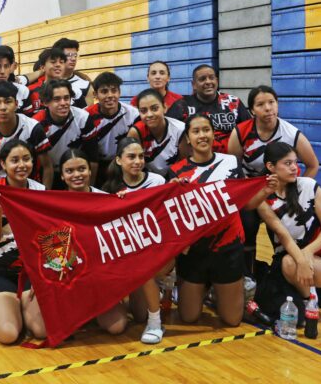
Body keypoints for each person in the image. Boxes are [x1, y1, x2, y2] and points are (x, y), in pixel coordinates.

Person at [168, 114, 272, 329]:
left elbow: (247, 204)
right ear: (188, 138)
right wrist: (173, 190)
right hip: (194, 251)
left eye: (206, 130)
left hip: (228, 247)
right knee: (188, 317)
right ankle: (206, 291)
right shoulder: (176, 172)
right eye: (195, 131)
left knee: (232, 321)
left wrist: (266, 190)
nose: (202, 135)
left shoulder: (231, 162)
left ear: (213, 133)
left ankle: (217, 292)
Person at [228, 85, 320, 281]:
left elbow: (313, 165)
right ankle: (247, 277)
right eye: (261, 104)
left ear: (277, 105)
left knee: (283, 234)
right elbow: (232, 169)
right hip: (251, 193)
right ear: (252, 110)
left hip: (280, 192)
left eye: (271, 102)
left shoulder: (291, 133)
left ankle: (284, 272)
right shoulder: (240, 133)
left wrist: (295, 191)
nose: (268, 108)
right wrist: (246, 194)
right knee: (247, 225)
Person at [101, 137, 169, 343]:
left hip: (157, 249)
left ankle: (156, 322)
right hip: (126, 253)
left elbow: (165, 217)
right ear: (119, 160)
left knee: (144, 266)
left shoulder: (157, 181)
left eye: (141, 156)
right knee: (138, 314)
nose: (138, 161)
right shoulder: (110, 189)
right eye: (131, 157)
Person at [0, 139, 47, 344]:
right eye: (14, 160)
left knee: (41, 331)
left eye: (26, 159)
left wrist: (44, 274)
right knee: (8, 335)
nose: (21, 165)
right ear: (3, 164)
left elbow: (47, 236)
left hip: (30, 270)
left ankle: (19, 307)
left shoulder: (40, 190)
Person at [257, 142, 321, 302]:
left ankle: (311, 301)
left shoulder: (309, 186)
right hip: (286, 258)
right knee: (287, 264)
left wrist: (307, 253)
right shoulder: (264, 198)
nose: (294, 167)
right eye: (287, 163)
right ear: (271, 166)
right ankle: (308, 297)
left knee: (290, 262)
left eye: (295, 162)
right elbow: (283, 236)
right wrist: (301, 260)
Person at [59, 149, 128, 335]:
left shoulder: (106, 199)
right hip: (70, 277)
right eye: (70, 171)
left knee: (117, 327)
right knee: (52, 328)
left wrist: (122, 204)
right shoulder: (53, 203)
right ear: (62, 176)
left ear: (90, 171)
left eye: (82, 169)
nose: (77, 175)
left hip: (99, 276)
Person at [0, 81, 53, 193]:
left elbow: (47, 166)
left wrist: (45, 196)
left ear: (16, 104)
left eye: (8, 102)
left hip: (30, 188)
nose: (3, 108)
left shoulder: (33, 128)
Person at [167, 64, 250, 153]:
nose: (208, 82)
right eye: (202, 79)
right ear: (194, 84)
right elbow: (168, 136)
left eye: (211, 78)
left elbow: (249, 131)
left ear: (217, 81)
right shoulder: (182, 106)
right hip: (195, 162)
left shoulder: (233, 102)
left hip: (229, 161)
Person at [32, 80, 94, 189]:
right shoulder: (35, 123)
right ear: (45, 102)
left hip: (76, 174)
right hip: (47, 174)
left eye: (66, 98)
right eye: (57, 99)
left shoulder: (83, 118)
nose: (63, 103)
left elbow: (93, 157)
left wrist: (89, 189)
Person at [82, 72, 140, 185]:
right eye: (104, 91)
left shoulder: (133, 114)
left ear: (119, 92)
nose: (110, 95)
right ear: (95, 94)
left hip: (123, 165)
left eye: (114, 90)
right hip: (94, 164)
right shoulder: (85, 115)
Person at [126, 88, 186, 175]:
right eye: (143, 111)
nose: (149, 114)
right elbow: (130, 165)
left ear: (165, 108)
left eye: (154, 109)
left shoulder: (180, 129)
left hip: (174, 178)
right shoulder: (136, 132)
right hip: (147, 179)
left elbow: (186, 165)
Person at [52, 37, 92, 107]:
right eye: (69, 55)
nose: (73, 59)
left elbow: (88, 114)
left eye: (75, 55)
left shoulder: (86, 85)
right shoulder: (46, 82)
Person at [26, 48, 67, 115]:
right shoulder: (30, 91)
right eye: (53, 62)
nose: (58, 65)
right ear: (42, 67)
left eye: (61, 62)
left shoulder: (73, 89)